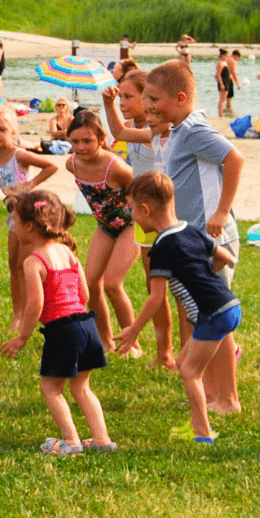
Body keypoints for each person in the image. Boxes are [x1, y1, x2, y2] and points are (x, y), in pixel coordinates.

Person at [139, 59, 245, 408]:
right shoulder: (175, 132)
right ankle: (212, 391)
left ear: (180, 98)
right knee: (202, 315)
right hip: (192, 238)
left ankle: (227, 396)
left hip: (212, 236)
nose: (148, 106)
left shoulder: (196, 130)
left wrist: (221, 211)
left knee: (215, 314)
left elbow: (235, 159)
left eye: (154, 100)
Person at [115, 173, 241, 442]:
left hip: (213, 314)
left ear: (145, 209)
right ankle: (197, 421)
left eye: (133, 209)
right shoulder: (190, 229)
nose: (133, 217)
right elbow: (225, 257)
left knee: (189, 372)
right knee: (182, 361)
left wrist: (134, 330)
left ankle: (203, 434)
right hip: (229, 304)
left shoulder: (162, 246)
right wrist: (204, 279)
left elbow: (155, 298)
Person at [0, 190, 113, 456]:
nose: (12, 225)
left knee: (51, 388)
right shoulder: (68, 252)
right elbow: (85, 294)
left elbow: (35, 305)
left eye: (14, 220)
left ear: (29, 226)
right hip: (87, 325)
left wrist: (22, 337)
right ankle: (102, 440)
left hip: (62, 330)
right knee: (82, 387)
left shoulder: (33, 261)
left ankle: (71, 442)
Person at [101, 72, 175, 369]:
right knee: (152, 286)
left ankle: (174, 351)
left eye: (129, 97)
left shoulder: (161, 133)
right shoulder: (135, 129)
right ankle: (164, 352)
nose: (124, 103)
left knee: (174, 289)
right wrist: (108, 104)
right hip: (144, 220)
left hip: (165, 218)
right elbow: (117, 132)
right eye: (122, 97)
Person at [0, 109, 59, 327]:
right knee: (13, 265)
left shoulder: (20, 155)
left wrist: (30, 185)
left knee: (27, 265)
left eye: (2, 129)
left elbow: (51, 165)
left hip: (31, 216)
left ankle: (30, 314)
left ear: (13, 132)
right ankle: (18, 314)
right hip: (14, 216)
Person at [63, 110, 140, 356]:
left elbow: (141, 192)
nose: (81, 147)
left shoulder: (116, 167)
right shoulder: (71, 164)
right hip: (105, 227)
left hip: (131, 225)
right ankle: (106, 341)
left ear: (101, 139)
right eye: (75, 141)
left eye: (87, 141)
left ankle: (132, 344)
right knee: (91, 282)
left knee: (113, 284)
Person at [214, 49, 233, 116]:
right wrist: (221, 84)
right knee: (222, 99)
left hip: (226, 81)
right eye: (226, 56)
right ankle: (220, 114)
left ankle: (223, 113)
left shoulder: (225, 63)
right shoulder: (220, 63)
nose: (227, 57)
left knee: (224, 99)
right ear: (222, 56)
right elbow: (218, 74)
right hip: (223, 82)